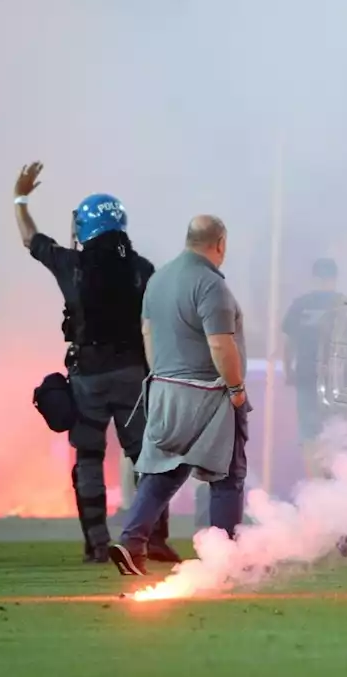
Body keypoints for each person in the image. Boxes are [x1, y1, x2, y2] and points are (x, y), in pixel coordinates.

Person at [12, 161, 178, 565]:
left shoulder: (73, 265)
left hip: (87, 377)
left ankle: (98, 545)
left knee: (88, 459)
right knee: (146, 459)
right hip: (134, 377)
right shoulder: (143, 269)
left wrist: (20, 198)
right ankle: (150, 539)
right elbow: (154, 325)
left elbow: (31, 240)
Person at [109, 215, 249, 576]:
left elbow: (148, 333)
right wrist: (235, 389)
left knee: (162, 473)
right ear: (220, 243)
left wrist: (163, 378)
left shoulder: (158, 279)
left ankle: (132, 541)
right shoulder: (210, 285)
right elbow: (220, 344)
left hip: (165, 390)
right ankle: (224, 559)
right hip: (208, 395)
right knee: (227, 477)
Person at [282, 258, 342, 463]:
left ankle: (315, 484)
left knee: (309, 435)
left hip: (307, 376)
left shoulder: (300, 305)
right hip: (337, 380)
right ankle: (332, 484)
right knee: (335, 434)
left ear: (314, 278)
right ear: (334, 278)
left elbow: (289, 342)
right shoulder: (344, 304)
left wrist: (289, 370)